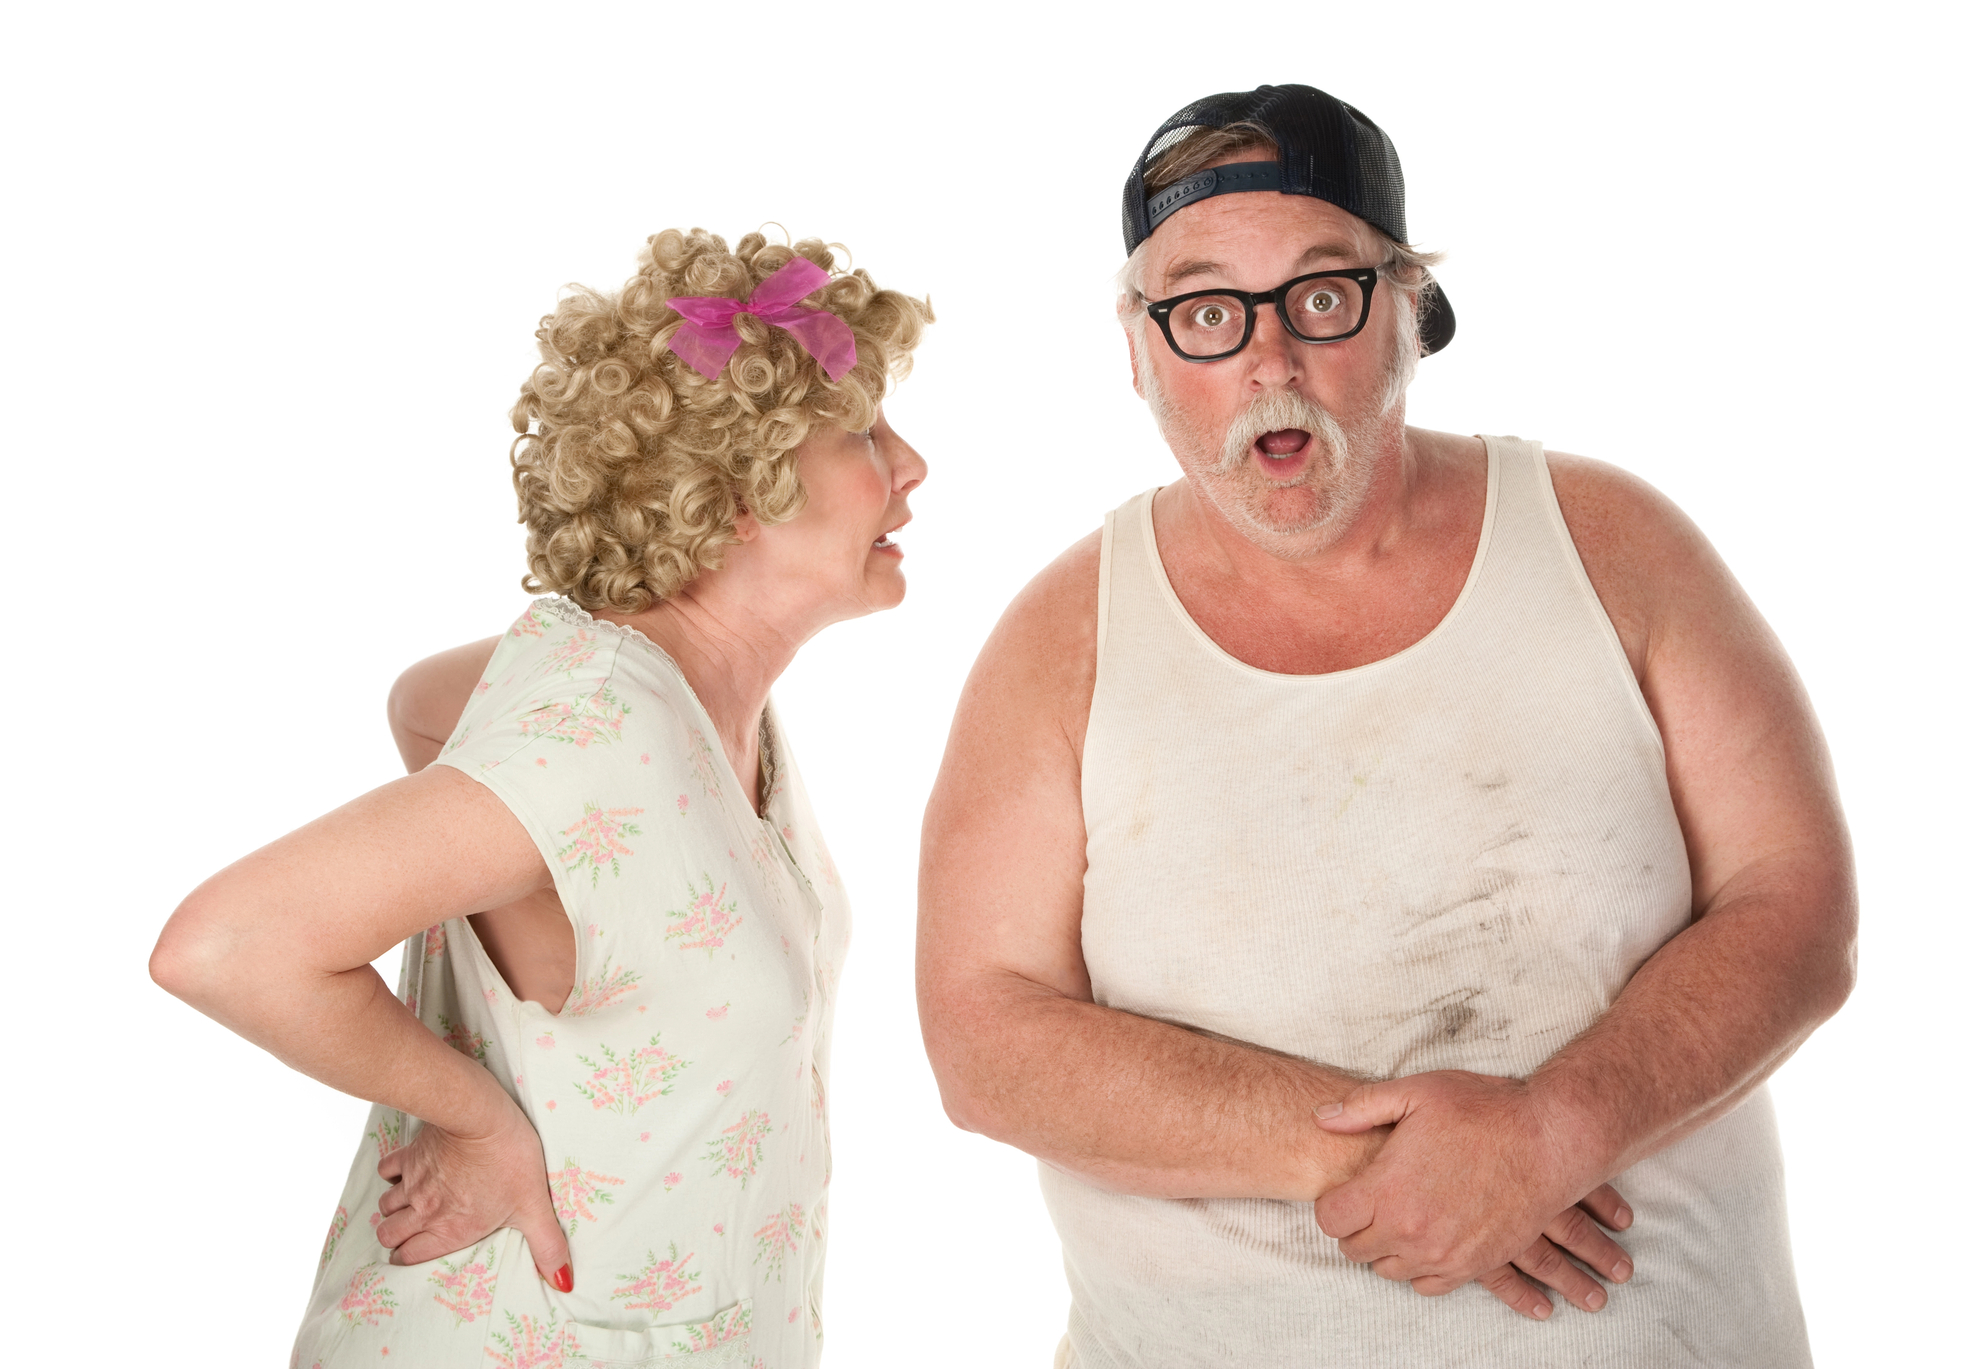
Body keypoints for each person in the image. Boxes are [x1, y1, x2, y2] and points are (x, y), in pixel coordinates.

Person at [917, 84, 1854, 1367]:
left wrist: (1553, 1131)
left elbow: (1795, 900)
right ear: (1136, 349)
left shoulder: (1611, 543)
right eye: (1202, 311)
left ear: (1408, 307)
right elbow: (982, 1033)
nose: (1266, 360)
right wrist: (1404, 1155)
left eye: (1319, 296)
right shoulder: (1059, 640)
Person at [151, 227, 930, 1368]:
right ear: (731, 495)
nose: (910, 465)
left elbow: (424, 700)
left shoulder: (684, 700)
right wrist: (477, 1115)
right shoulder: (601, 737)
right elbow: (223, 945)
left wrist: (521, 911)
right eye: (863, 430)